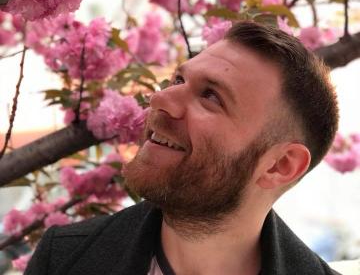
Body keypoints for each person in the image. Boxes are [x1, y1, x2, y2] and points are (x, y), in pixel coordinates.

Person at [25, 21, 340, 275]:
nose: (159, 99)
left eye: (211, 96)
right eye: (177, 80)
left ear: (280, 165)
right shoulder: (63, 259)